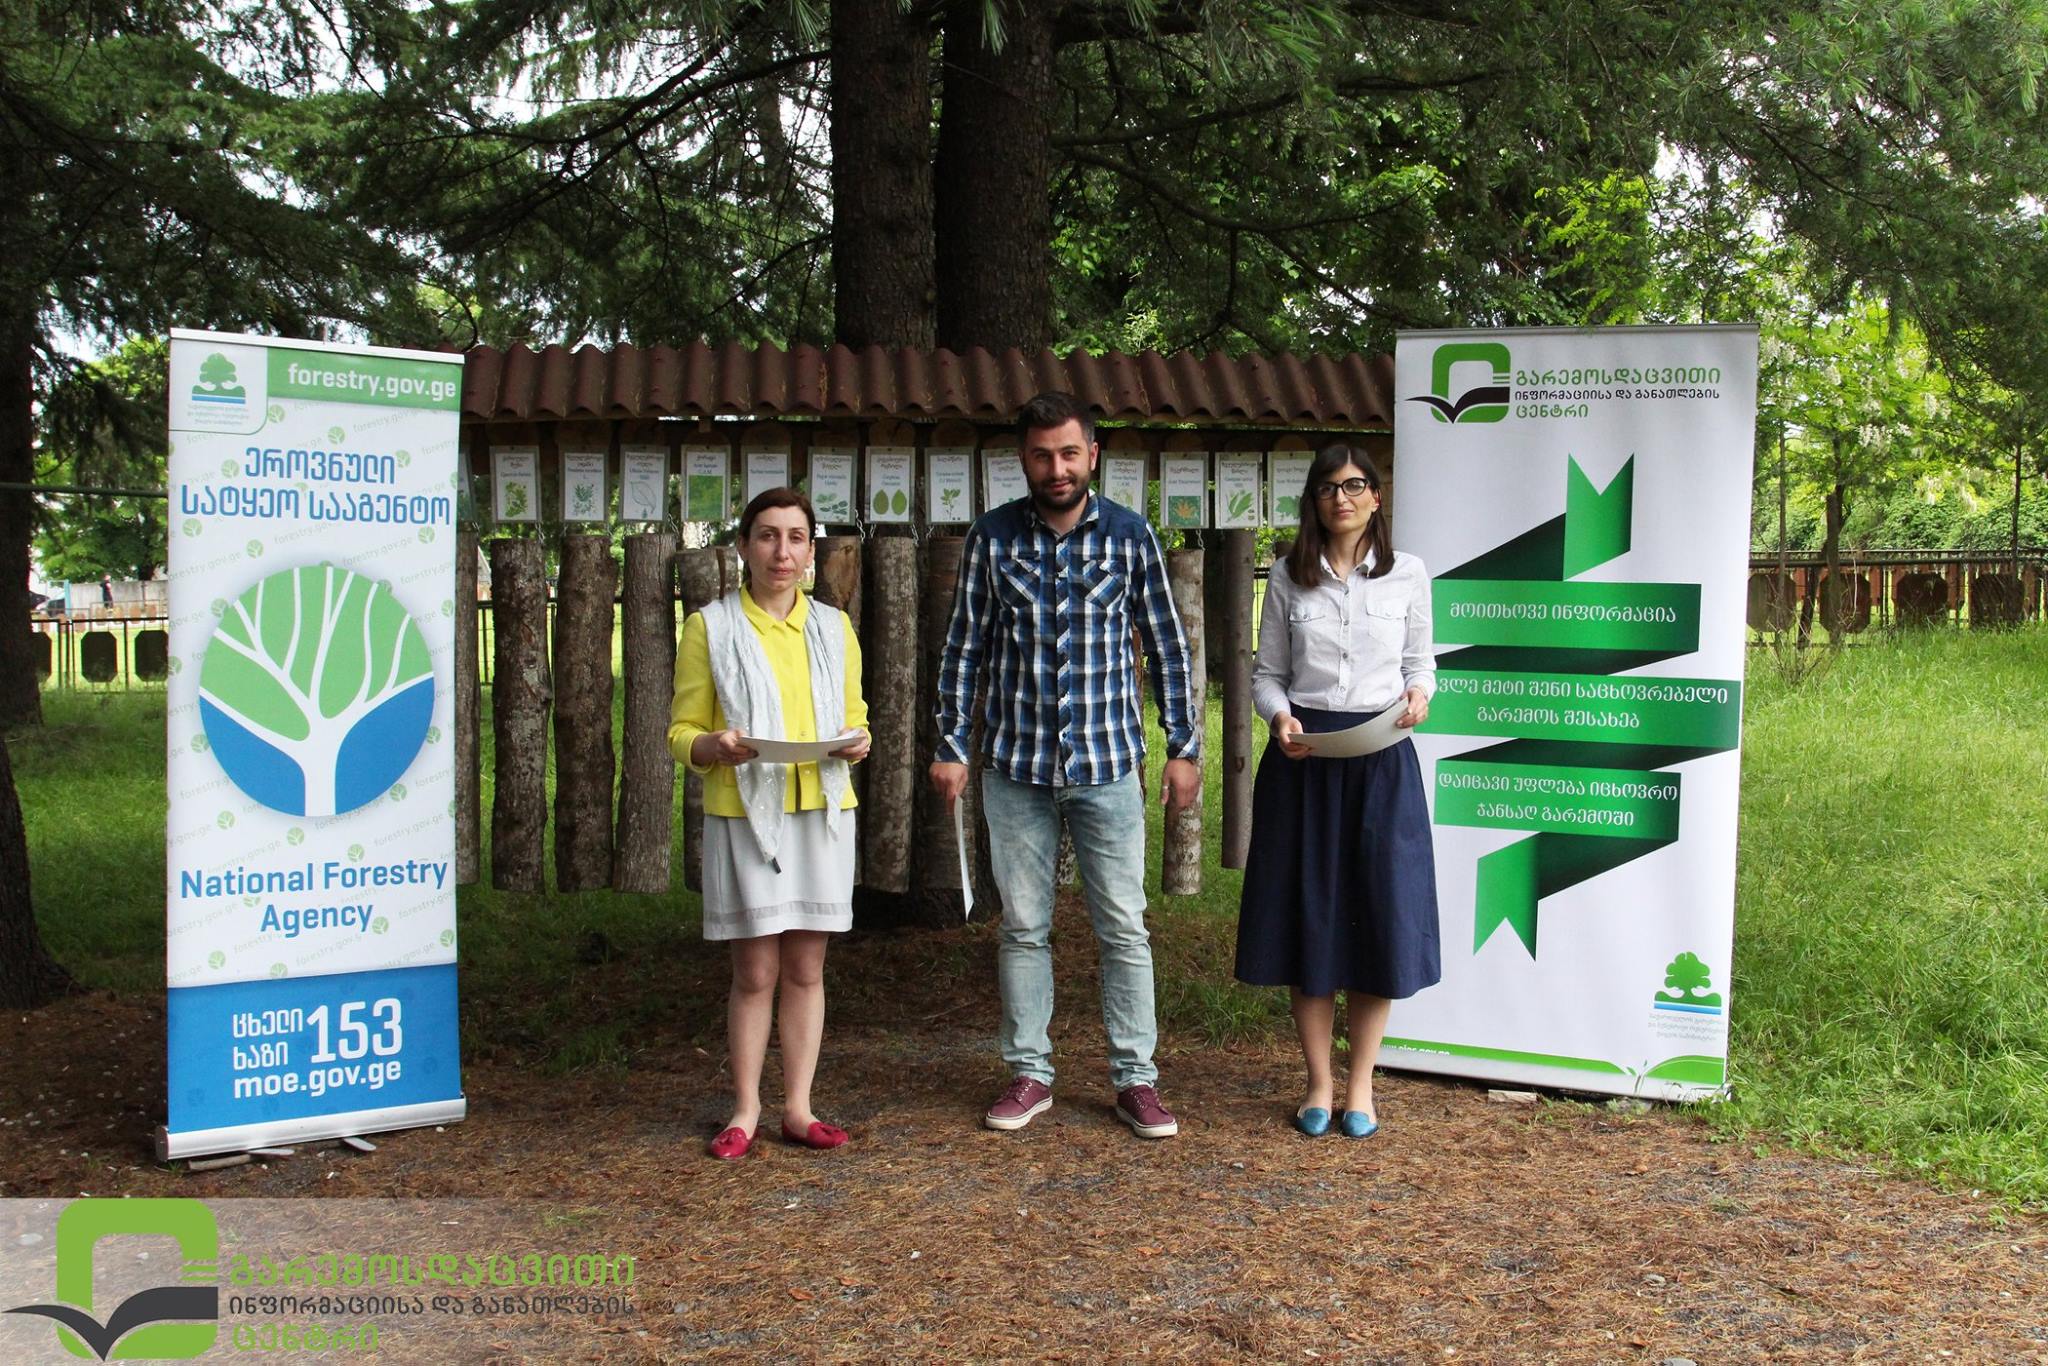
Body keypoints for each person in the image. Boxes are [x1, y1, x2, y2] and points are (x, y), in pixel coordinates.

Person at [930, 391, 1201, 1139]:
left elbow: (1168, 647)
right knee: (1023, 927)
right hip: (1014, 766)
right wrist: (950, 743)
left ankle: (1136, 1080)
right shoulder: (991, 538)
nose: (1057, 468)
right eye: (1043, 455)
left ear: (1093, 456)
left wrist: (1183, 746)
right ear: (1023, 460)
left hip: (1108, 766)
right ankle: (1030, 1073)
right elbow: (963, 649)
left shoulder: (1130, 536)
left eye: (1070, 453)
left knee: (1124, 928)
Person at [1235, 444, 1441, 1139]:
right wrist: (1279, 718)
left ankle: (1362, 1087)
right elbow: (1267, 674)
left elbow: (1420, 664)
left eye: (1354, 486)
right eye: (1327, 488)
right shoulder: (1288, 577)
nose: (1341, 498)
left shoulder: (1408, 573)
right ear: (1314, 502)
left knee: (1381, 917)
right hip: (1306, 762)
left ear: (1376, 497)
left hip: (1382, 761)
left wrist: (1420, 694)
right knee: (1311, 920)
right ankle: (1319, 1083)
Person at [668, 488, 871, 1160]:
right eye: (767, 536)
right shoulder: (711, 627)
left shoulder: (833, 628)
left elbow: (855, 716)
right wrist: (713, 746)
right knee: (755, 970)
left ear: (811, 551)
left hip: (821, 810)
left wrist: (858, 741)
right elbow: (681, 731)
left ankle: (799, 1108)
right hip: (747, 815)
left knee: (807, 967)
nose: (782, 552)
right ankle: (745, 1109)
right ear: (743, 547)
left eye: (795, 537)